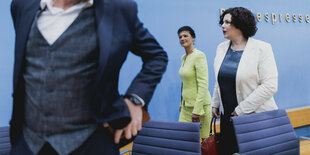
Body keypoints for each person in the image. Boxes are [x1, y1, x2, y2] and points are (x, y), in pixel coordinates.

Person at [9, 0, 168, 154]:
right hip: (28, 144)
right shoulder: (22, 6)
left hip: (92, 143)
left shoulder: (119, 10)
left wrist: (135, 99)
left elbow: (156, 56)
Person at [211, 7, 278, 155]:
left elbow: (269, 86)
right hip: (227, 118)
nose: (222, 25)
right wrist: (215, 103)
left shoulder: (262, 48)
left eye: (227, 22)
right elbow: (220, 79)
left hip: (253, 118)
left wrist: (240, 110)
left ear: (240, 25)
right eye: (222, 22)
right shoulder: (221, 48)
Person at [177, 26, 212, 140]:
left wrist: (197, 110)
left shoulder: (199, 55)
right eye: (180, 37)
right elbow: (185, 83)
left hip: (199, 108)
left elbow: (203, 84)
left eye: (185, 36)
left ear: (193, 38)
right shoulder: (184, 57)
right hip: (185, 107)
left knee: (202, 143)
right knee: (184, 139)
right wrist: (181, 103)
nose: (182, 38)